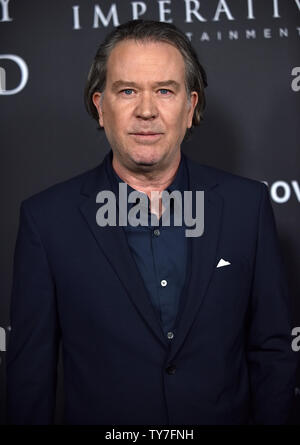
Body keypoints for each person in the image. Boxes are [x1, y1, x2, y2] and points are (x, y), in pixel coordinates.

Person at [6, 19, 298, 425]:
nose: (146, 110)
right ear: (100, 106)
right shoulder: (46, 221)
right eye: (127, 91)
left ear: (191, 107)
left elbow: (271, 352)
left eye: (165, 90)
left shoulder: (245, 207)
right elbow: (29, 379)